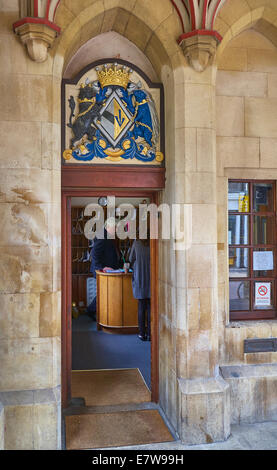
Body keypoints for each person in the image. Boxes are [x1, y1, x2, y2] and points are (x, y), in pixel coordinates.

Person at [86, 217, 120, 319]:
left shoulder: (107, 235)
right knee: (104, 292)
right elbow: (94, 253)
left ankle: (92, 310)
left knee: (104, 292)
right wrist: (102, 268)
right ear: (109, 226)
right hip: (101, 270)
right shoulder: (103, 236)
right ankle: (91, 310)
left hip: (107, 270)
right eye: (116, 227)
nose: (117, 230)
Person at [129, 233, 151, 341]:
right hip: (151, 279)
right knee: (151, 307)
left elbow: (130, 258)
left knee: (141, 307)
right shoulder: (153, 243)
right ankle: (151, 333)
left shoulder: (136, 243)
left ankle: (142, 334)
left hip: (140, 278)